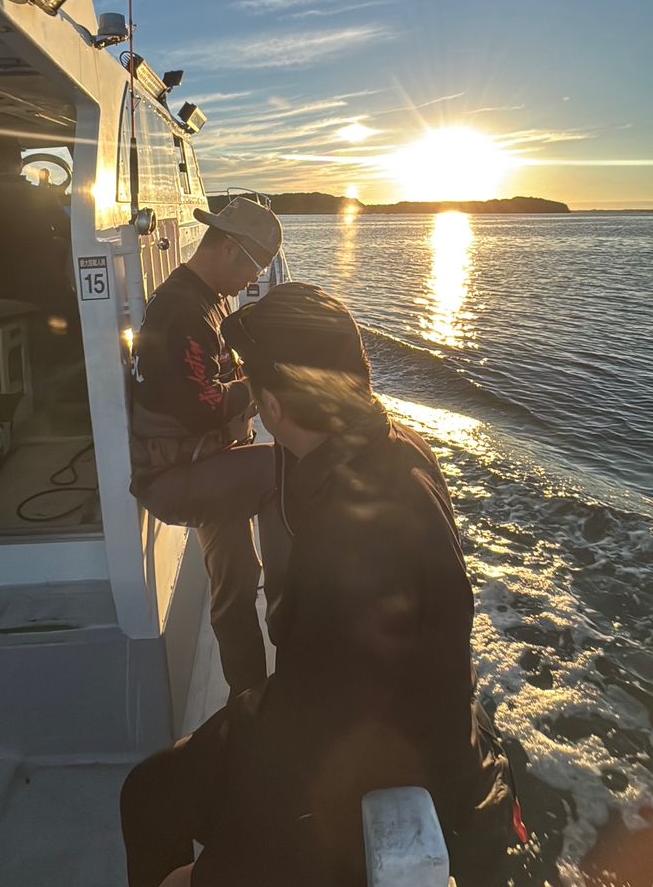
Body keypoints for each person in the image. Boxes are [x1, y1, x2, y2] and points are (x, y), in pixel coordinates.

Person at [121, 283, 522, 887]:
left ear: (273, 409)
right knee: (152, 789)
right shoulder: (386, 448)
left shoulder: (353, 526)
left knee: (150, 802)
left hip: (375, 755)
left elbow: (327, 726)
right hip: (372, 715)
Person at [129, 196, 283, 697]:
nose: (252, 280)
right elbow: (204, 409)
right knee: (286, 468)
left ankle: (249, 698)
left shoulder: (206, 297)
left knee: (235, 581)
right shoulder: (181, 311)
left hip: (208, 460)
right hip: (176, 475)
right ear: (232, 251)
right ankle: (294, 611)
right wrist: (266, 381)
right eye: (255, 267)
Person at [0, 134, 77, 332]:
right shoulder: (41, 196)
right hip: (42, 287)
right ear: (20, 163)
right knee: (78, 308)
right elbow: (72, 234)